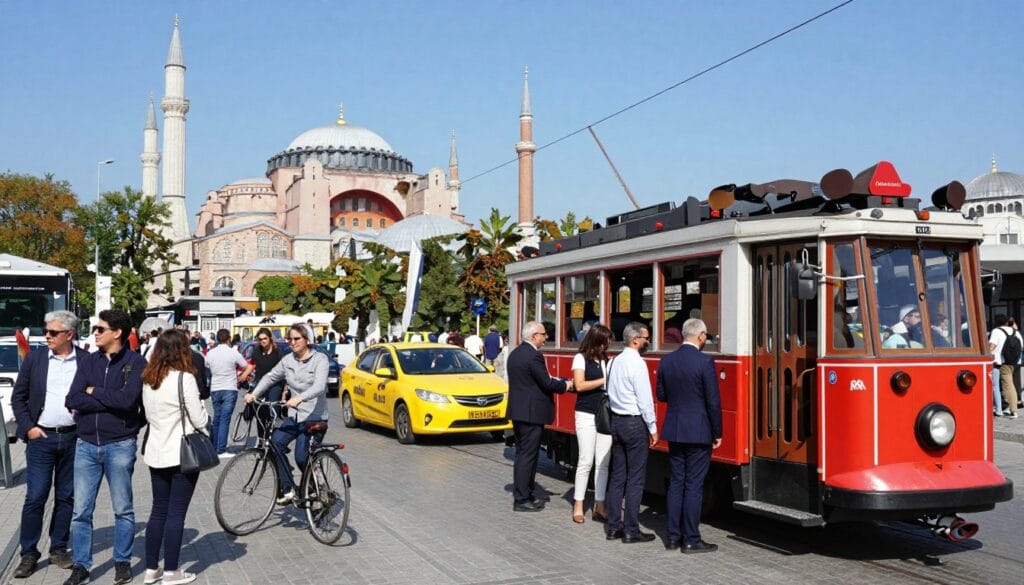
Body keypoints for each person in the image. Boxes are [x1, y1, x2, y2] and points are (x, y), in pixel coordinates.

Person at [63, 309, 148, 585]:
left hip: (120, 444)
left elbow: (127, 402)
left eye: (100, 328)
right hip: (86, 444)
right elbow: (73, 398)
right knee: (81, 511)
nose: (95, 333)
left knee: (123, 509)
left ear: (117, 333)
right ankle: (81, 565)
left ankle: (122, 562)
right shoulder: (88, 361)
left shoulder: (136, 363)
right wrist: (104, 398)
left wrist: (94, 392)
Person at [10, 311, 86, 579]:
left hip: (74, 437)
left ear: (69, 335)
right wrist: (29, 427)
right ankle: (29, 553)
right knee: (35, 496)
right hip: (42, 439)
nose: (47, 336)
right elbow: (18, 398)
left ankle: (58, 547)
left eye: (53, 332)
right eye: (46, 331)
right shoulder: (36, 359)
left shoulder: (86, 361)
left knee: (67, 496)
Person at [140, 330, 209, 585]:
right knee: (176, 513)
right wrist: (206, 418)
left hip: (155, 451)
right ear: (182, 350)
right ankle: (171, 571)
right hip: (181, 453)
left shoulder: (148, 378)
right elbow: (199, 419)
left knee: (158, 510)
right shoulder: (184, 378)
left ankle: (150, 569)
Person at [656, 318, 722, 553]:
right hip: (699, 431)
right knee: (694, 485)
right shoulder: (705, 362)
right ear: (701, 336)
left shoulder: (667, 361)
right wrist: (717, 432)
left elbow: (661, 395)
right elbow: (713, 401)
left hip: (674, 428)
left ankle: (673, 537)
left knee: (676, 483)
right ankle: (692, 539)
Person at [245, 324, 329, 504]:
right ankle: (289, 488)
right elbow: (270, 377)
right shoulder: (288, 360)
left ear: (307, 340)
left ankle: (317, 485)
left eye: (297, 338)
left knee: (301, 456)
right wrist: (254, 394)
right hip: (294, 415)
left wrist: (300, 398)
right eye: (290, 339)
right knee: (275, 443)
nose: (292, 342)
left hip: (314, 417)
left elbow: (320, 386)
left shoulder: (320, 359)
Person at [507, 321, 571, 512]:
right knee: (528, 456)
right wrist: (566, 386)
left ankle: (526, 492)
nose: (546, 338)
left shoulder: (516, 353)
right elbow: (546, 382)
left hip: (520, 412)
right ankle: (522, 498)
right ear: (534, 336)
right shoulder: (533, 356)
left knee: (523, 455)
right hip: (531, 414)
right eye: (543, 334)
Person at [603, 321, 658, 543]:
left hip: (616, 422)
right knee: (635, 479)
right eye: (646, 338)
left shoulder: (614, 362)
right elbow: (645, 400)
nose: (648, 342)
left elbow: (607, 391)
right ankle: (631, 530)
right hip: (634, 423)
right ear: (635, 339)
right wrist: (653, 427)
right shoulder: (637, 363)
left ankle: (614, 527)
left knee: (617, 477)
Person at [569, 324, 612, 524]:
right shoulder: (580, 358)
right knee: (585, 460)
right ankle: (579, 504)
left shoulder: (606, 360)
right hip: (585, 412)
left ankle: (599, 505)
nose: (607, 345)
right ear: (596, 341)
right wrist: (604, 380)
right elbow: (579, 385)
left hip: (603, 413)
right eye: (605, 341)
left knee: (603, 462)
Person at [205, 329, 253, 457]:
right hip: (229, 387)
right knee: (225, 419)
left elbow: (207, 366)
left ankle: (214, 446)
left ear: (217, 339)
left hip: (215, 388)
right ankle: (221, 449)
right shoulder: (233, 353)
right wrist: (241, 377)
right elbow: (246, 366)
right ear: (229, 339)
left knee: (217, 418)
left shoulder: (210, 353)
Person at [249, 327, 284, 435]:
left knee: (273, 411)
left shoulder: (277, 352)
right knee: (260, 412)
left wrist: (284, 392)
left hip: (275, 385)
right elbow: (251, 365)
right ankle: (262, 438)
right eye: (260, 339)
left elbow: (284, 371)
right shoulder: (256, 351)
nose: (262, 341)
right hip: (261, 385)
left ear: (270, 338)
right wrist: (242, 377)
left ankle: (274, 437)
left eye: (265, 338)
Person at [989, 314, 1020, 418]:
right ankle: (1007, 408)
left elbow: (992, 346)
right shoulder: (1015, 331)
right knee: (1008, 384)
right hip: (1014, 362)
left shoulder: (996, 331)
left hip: (1000, 362)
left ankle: (1008, 409)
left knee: (1000, 386)